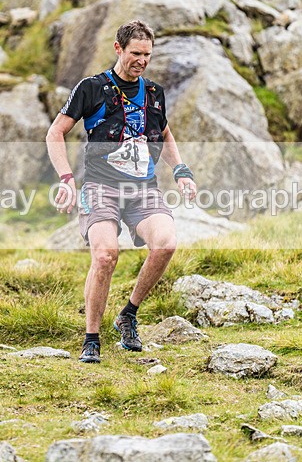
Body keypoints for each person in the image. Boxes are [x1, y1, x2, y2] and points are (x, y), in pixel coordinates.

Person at [46, 20, 197, 363]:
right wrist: (66, 178)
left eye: (147, 55)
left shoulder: (155, 94)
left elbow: (166, 134)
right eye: (135, 53)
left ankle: (128, 314)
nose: (141, 60)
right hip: (100, 187)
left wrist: (181, 170)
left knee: (166, 243)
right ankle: (91, 338)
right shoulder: (92, 88)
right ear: (118, 49)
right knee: (104, 256)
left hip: (143, 188)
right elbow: (55, 133)